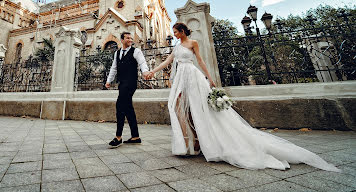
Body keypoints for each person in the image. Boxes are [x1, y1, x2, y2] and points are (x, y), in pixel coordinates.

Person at [146, 22, 340, 172]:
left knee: (198, 108)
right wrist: (152, 72)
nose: (174, 34)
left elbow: (201, 61)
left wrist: (210, 79)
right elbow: (168, 62)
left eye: (176, 31)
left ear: (182, 31)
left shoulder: (192, 43)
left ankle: (199, 142)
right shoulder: (176, 47)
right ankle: (188, 141)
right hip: (181, 77)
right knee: (177, 105)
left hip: (193, 76)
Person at [106, 32, 150, 148]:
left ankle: (118, 137)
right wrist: (109, 80)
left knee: (120, 106)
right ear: (122, 40)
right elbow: (114, 68)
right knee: (128, 108)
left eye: (131, 38)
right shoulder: (117, 53)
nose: (130, 39)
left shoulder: (136, 51)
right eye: (127, 38)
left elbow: (142, 62)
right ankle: (135, 136)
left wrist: (145, 72)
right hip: (122, 83)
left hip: (131, 83)